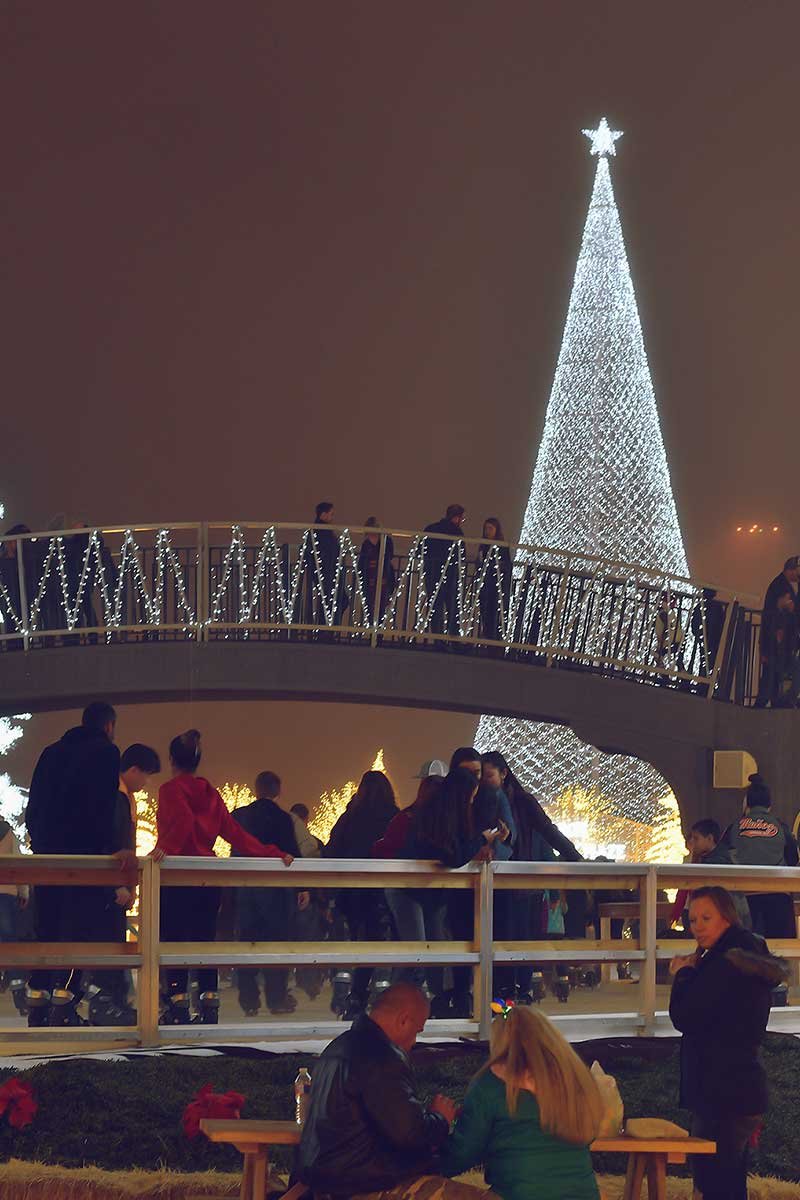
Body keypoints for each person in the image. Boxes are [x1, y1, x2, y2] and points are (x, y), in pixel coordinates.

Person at [154, 731, 294, 1025]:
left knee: (175, 942)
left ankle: (178, 1004)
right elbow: (235, 834)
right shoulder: (210, 793)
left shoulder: (169, 790)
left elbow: (182, 821)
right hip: (208, 879)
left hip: (178, 876)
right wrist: (271, 852)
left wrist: (164, 849)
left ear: (171, 760)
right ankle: (209, 1004)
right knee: (205, 942)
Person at [295, 983, 483, 1200]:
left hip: (325, 1182)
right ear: (403, 1020)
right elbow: (411, 1135)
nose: (414, 1041)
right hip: (362, 1185)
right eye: (417, 1031)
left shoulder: (337, 1047)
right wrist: (440, 1118)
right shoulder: (381, 1058)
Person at [669, 886, 788, 1200]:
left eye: (706, 918)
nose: (698, 927)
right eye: (693, 920)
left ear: (727, 918)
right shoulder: (746, 959)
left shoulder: (724, 964)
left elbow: (686, 1015)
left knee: (716, 1182)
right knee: (730, 1180)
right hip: (740, 1085)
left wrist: (683, 975)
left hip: (721, 1090)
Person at [25, 701, 123, 1026]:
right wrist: (108, 850)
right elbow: (103, 807)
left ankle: (37, 1001)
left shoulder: (50, 752)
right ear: (108, 726)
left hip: (47, 856)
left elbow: (34, 807)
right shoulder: (107, 753)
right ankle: (64, 1003)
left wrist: (40, 844)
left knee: (47, 927)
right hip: (85, 857)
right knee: (79, 930)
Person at [440, 1005, 603, 1200]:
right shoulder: (575, 1079)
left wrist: (424, 1163)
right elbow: (588, 1135)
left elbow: (462, 1154)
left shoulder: (490, 1084)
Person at [406, 767, 507, 1018]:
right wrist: (482, 840)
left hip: (432, 891)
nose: (471, 802)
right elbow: (452, 856)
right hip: (415, 890)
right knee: (419, 952)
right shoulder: (440, 817)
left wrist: (488, 843)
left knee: (431, 950)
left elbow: (457, 852)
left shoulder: (444, 814)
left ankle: (440, 1002)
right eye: (470, 796)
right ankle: (415, 1004)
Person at [85, 742, 160, 1025]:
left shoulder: (119, 796)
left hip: (117, 884)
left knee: (114, 941)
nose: (146, 781)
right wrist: (117, 885)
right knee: (111, 941)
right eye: (146, 774)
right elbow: (113, 844)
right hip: (113, 885)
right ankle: (106, 1005)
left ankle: (113, 1003)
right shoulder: (116, 798)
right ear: (134, 770)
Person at [325, 770, 398, 1018]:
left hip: (352, 892)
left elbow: (331, 851)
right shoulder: (393, 817)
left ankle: (352, 997)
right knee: (382, 943)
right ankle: (381, 997)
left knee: (357, 941)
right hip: (384, 892)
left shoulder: (350, 817)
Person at [232, 771, 300, 1016]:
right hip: (275, 890)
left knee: (247, 942)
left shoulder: (239, 815)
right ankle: (276, 998)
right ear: (277, 791)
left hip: (244, 888)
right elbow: (292, 854)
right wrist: (303, 888)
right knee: (276, 943)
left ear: (256, 789)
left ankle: (248, 999)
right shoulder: (283, 818)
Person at [376, 775, 447, 994]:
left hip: (413, 888)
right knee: (423, 947)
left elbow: (383, 849)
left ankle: (406, 996)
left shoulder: (404, 819)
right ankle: (421, 995)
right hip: (417, 889)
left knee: (419, 947)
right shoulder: (429, 823)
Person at [720, 772, 798, 937]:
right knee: (780, 949)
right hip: (778, 897)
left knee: (745, 948)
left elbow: (721, 857)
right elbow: (793, 857)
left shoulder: (734, 827)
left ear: (746, 803)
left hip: (744, 899)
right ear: (770, 805)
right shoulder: (781, 827)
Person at [669, 818, 751, 931]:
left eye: (696, 838)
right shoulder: (723, 857)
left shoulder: (716, 863)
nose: (692, 842)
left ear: (709, 839)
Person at [755, 556, 800, 706]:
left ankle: (771, 701)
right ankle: (770, 701)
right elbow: (778, 610)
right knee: (774, 671)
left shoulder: (780, 584)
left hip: (777, 637)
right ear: (791, 570)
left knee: (774, 672)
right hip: (777, 638)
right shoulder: (780, 586)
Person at [0, 817, 29, 1014]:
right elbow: (18, 863)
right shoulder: (7, 832)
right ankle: (19, 993)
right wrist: (23, 891)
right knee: (10, 942)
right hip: (6, 892)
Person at [423, 505, 466, 637]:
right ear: (456, 517)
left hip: (432, 573)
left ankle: (438, 638)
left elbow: (422, 550)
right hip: (451, 574)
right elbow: (461, 555)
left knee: (435, 607)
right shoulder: (457, 533)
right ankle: (453, 638)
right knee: (452, 607)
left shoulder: (431, 529)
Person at [304, 502, 343, 629]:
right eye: (331, 514)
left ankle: (326, 629)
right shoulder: (322, 531)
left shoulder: (318, 530)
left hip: (325, 571)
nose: (332, 517)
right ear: (324, 514)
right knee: (330, 601)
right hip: (326, 571)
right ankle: (327, 629)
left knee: (328, 601)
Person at [477, 518, 512, 645]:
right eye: (486, 528)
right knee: (484, 610)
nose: (487, 531)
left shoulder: (501, 547)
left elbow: (506, 564)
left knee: (494, 611)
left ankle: (493, 637)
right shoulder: (483, 545)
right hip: (485, 583)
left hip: (496, 584)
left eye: (490, 528)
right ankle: (487, 635)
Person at [358, 517, 396, 623]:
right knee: (370, 606)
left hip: (383, 578)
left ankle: (377, 628)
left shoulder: (386, 541)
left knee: (381, 605)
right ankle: (372, 627)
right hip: (370, 579)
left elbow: (388, 557)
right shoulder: (367, 544)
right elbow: (362, 562)